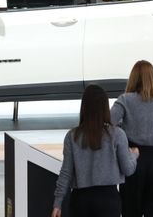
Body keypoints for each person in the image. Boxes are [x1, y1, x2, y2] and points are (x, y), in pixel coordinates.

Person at [52, 85, 138, 217]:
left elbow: (66, 173)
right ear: (105, 107)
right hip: (108, 200)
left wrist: (58, 203)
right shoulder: (117, 134)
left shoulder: (72, 136)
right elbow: (128, 169)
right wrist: (133, 155)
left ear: (84, 107)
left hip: (80, 200)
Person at [111, 60, 153, 217]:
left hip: (134, 157)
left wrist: (123, 129)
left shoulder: (125, 100)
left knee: (130, 210)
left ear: (133, 78)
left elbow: (107, 124)